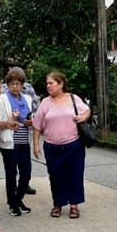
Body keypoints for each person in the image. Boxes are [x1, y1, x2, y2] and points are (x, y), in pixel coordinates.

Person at [32, 71, 91, 219]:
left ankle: (74, 206)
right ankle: (57, 204)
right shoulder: (45, 103)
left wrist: (82, 117)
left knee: (75, 175)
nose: (48, 86)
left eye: (51, 83)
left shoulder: (73, 98)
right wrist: (36, 145)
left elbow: (87, 110)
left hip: (74, 145)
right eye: (47, 83)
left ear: (61, 84)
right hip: (52, 146)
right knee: (56, 176)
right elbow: (37, 125)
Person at [0, 68, 34, 217]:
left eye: (17, 83)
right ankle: (12, 203)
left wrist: (28, 121)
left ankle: (19, 199)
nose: (14, 87)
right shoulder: (3, 99)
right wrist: (10, 121)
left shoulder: (27, 99)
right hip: (9, 141)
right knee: (11, 174)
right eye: (11, 84)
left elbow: (27, 118)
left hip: (24, 140)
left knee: (26, 173)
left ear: (22, 85)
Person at [11, 66, 40, 195]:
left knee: (25, 165)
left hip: (24, 133)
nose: (15, 86)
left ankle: (24, 185)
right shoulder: (6, 90)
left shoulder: (29, 89)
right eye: (13, 82)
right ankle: (13, 191)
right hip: (11, 135)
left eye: (19, 82)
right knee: (12, 166)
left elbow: (35, 107)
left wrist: (32, 118)